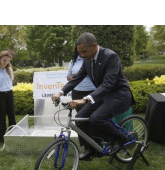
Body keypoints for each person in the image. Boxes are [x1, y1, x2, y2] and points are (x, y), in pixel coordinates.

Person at [52, 32, 134, 160]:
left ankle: (120, 138)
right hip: (103, 95)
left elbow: (108, 84)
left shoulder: (111, 56)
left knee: (96, 119)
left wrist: (85, 99)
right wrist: (60, 92)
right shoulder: (87, 60)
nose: (82, 55)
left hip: (119, 95)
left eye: (84, 51)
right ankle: (91, 148)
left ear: (94, 46)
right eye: (80, 52)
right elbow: (76, 79)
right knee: (80, 118)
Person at [67, 45, 96, 112]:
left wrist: (83, 74)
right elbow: (68, 77)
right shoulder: (73, 61)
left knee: (92, 116)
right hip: (77, 93)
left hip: (92, 91)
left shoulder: (91, 59)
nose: (82, 53)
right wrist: (74, 77)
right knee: (80, 116)